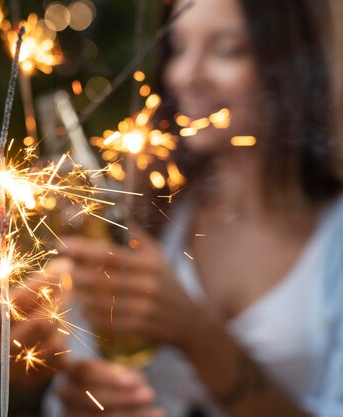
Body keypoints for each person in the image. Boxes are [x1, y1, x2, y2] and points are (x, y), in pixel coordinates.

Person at [50, 0, 343, 416]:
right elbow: (73, 373)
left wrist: (194, 330)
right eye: (178, 47)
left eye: (226, 50)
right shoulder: (144, 211)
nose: (185, 75)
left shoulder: (334, 238)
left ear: (292, 61)